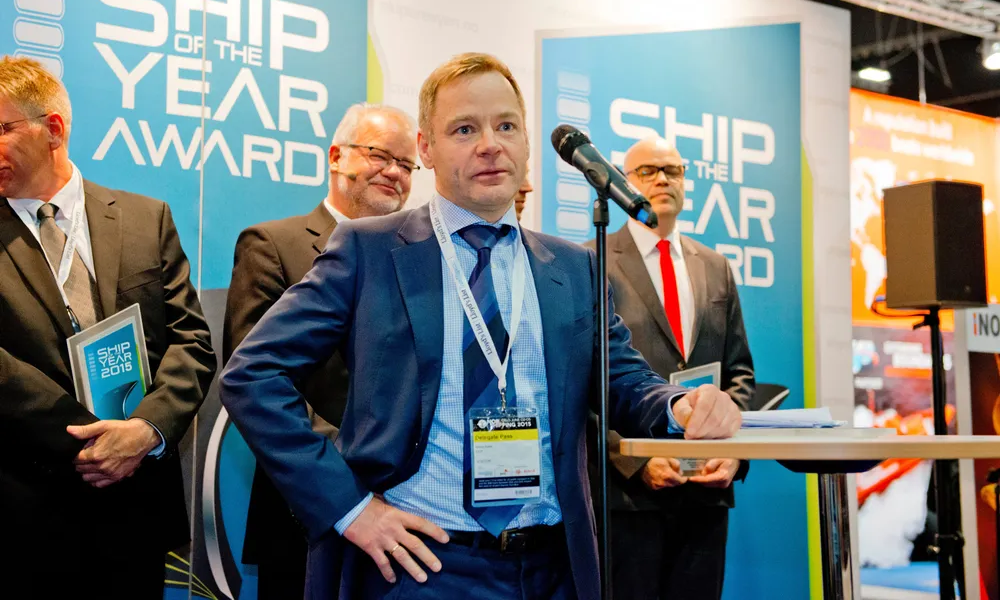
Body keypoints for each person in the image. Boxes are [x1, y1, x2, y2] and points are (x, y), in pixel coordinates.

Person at [219, 52, 741, 600]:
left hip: (552, 569)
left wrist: (681, 406)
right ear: (426, 149)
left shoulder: (574, 268)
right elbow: (253, 375)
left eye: (506, 126)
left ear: (527, 143)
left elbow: (624, 380)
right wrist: (350, 508)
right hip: (420, 568)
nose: (490, 144)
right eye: (465, 129)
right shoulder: (369, 250)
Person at [0, 55, 216, 597]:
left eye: (2, 129)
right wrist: (94, 440)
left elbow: (191, 341)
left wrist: (145, 431)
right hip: (22, 512)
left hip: (135, 513)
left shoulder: (146, 219)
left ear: (53, 129)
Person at [223, 102, 417, 599]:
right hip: (306, 509)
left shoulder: (417, 261)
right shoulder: (272, 244)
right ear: (336, 157)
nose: (394, 172)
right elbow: (256, 380)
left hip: (406, 508)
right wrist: (348, 464)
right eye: (379, 155)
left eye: (406, 164)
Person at [588, 137, 755, 600]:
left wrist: (735, 453)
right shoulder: (592, 260)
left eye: (673, 170)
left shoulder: (715, 267)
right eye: (647, 171)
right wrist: (634, 460)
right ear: (623, 183)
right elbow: (583, 385)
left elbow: (740, 374)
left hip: (706, 493)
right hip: (628, 499)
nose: (662, 180)